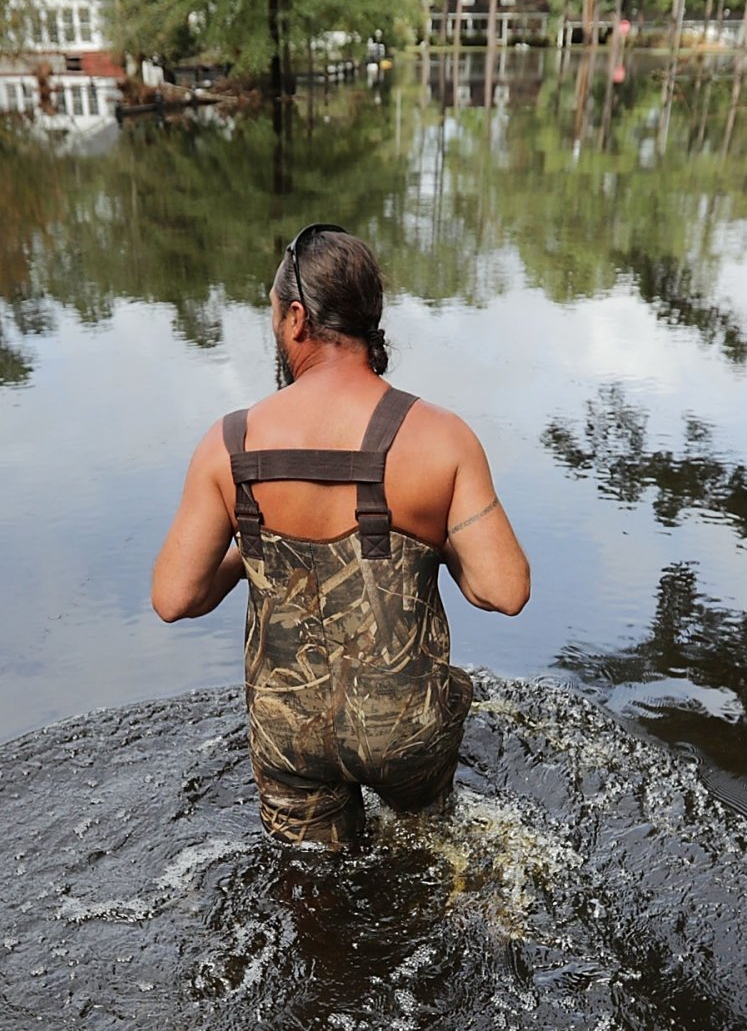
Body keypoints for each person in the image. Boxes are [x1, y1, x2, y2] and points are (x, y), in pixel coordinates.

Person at [151, 224, 531, 846]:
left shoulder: (230, 446)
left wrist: (253, 545)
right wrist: (435, 538)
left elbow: (175, 598)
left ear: (296, 318)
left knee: (312, 902)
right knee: (423, 867)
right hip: (403, 733)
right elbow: (504, 589)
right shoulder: (440, 437)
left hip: (287, 733)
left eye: (274, 314)